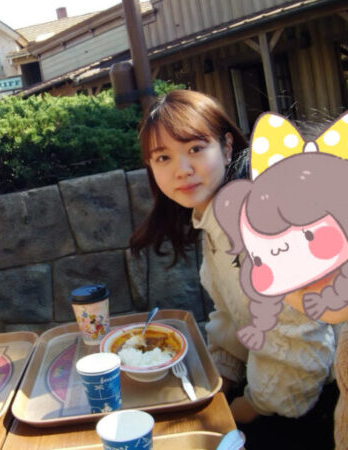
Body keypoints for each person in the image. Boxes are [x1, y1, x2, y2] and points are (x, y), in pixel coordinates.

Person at [129, 90, 337, 449]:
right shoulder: (214, 217)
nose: (182, 169)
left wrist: (248, 407)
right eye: (163, 157)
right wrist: (220, 380)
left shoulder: (263, 221)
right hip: (273, 393)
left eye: (196, 148)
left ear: (226, 148)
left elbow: (300, 343)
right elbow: (230, 315)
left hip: (308, 404)